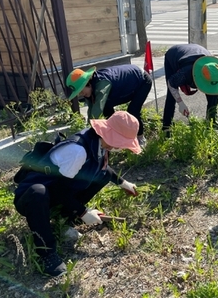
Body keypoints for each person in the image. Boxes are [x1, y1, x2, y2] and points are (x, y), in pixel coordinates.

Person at [13, 111, 142, 277]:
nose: (121, 147)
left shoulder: (99, 142)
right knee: (38, 192)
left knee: (100, 176)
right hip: (32, 196)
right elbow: (60, 189)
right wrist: (83, 212)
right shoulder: (77, 151)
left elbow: (103, 169)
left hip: (57, 190)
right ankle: (47, 253)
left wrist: (124, 183)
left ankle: (67, 216)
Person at [66, 64, 152, 148]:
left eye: (81, 91)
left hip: (141, 81)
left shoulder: (102, 84)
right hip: (123, 88)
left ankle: (140, 139)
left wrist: (89, 135)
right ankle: (116, 139)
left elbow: (97, 109)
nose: (81, 94)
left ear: (87, 83)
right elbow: (91, 111)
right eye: (79, 93)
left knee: (133, 111)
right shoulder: (89, 90)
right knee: (108, 112)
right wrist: (88, 130)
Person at [162, 44, 218, 135]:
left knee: (213, 95)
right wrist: (180, 103)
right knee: (171, 97)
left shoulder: (217, 74)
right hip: (174, 54)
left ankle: (211, 124)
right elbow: (171, 84)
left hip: (200, 53)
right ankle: (166, 128)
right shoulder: (186, 73)